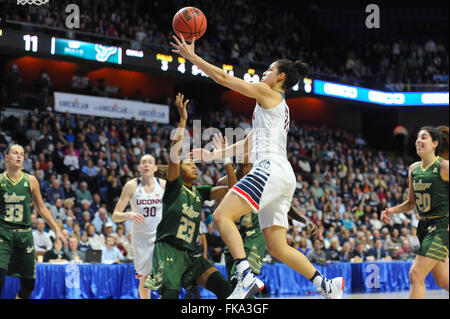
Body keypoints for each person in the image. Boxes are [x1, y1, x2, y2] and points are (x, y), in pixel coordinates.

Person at [173, 35, 344, 299]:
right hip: (283, 174)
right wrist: (213, 155)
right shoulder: (274, 108)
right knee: (277, 247)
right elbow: (247, 145)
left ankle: (245, 277)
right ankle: (326, 285)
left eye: (269, 70)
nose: (264, 73)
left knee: (221, 216)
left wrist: (193, 58)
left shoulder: (269, 93)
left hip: (269, 169)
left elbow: (226, 80)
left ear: (280, 76)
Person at [143, 93, 232, 299]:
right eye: (187, 163)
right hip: (169, 250)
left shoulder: (200, 191)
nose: (193, 165)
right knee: (171, 296)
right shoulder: (175, 187)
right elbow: (175, 153)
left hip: (191, 254)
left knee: (225, 290)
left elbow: (231, 190)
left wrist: (226, 160)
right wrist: (183, 120)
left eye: (194, 163)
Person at [381, 126, 449, 299]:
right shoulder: (413, 169)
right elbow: (412, 203)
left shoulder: (445, 167)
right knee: (443, 280)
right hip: (424, 227)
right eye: (418, 137)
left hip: (441, 228)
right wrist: (391, 211)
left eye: (424, 137)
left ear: (435, 143)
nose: (419, 140)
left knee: (416, 274)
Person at [0, 145, 67, 299]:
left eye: (22, 154)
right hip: (3, 234)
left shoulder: (31, 180)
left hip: (24, 235)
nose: (19, 156)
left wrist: (57, 229)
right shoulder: (1, 181)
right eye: (15, 153)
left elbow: (42, 207)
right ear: (6, 157)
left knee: (29, 285)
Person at [112, 154, 166, 299]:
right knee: (144, 279)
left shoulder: (163, 185)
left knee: (165, 277)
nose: (146, 165)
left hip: (160, 236)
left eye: (150, 162)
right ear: (139, 168)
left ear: (155, 168)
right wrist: (128, 215)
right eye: (143, 162)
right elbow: (115, 215)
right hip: (140, 238)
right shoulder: (131, 186)